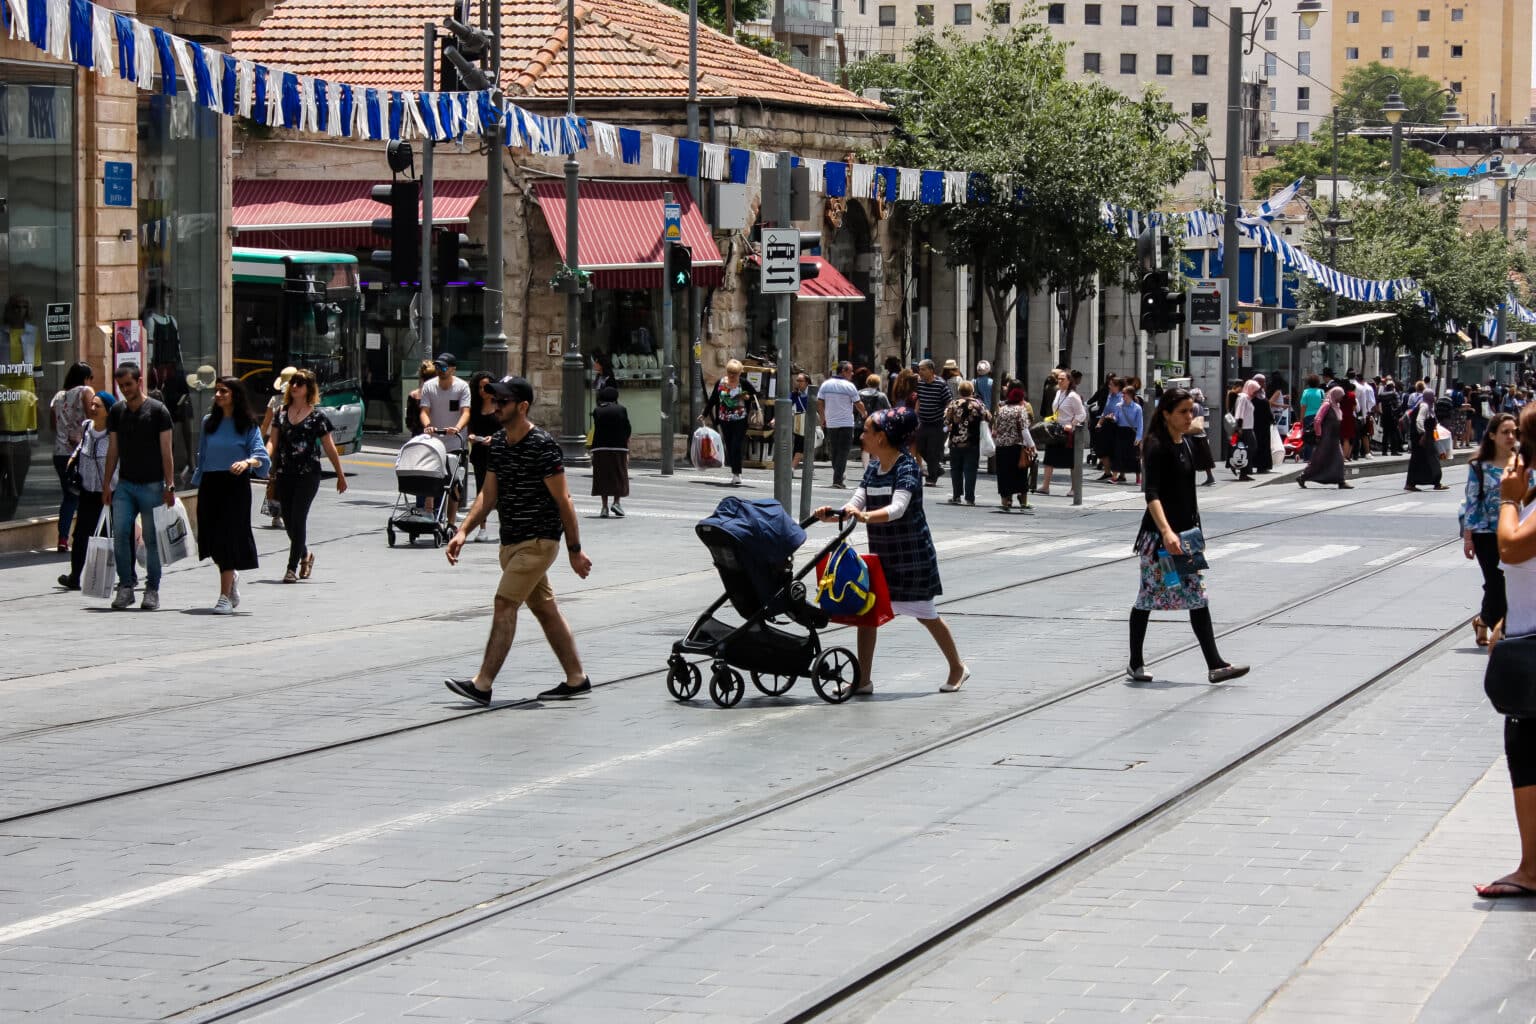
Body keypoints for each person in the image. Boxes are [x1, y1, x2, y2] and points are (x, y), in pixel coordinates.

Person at [444, 376, 593, 706]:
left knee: (504, 602)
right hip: (511, 541)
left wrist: (574, 550)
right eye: (495, 401)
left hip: (539, 541)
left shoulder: (543, 445)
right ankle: (576, 677)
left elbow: (564, 500)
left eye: (503, 402)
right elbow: (488, 494)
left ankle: (482, 684)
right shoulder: (498, 442)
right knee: (545, 609)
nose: (496, 406)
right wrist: (464, 530)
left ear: (522, 406)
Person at [814, 406, 968, 694]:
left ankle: (958, 666)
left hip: (911, 557)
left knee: (926, 614)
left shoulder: (907, 466)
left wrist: (867, 517)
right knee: (867, 614)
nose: (862, 435)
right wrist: (835, 514)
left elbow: (898, 508)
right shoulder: (873, 466)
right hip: (882, 557)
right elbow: (856, 502)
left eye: (867, 431)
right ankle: (863, 680)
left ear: (882, 437)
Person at [1126, 388, 1248, 685]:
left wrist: (1194, 424)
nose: (1189, 416)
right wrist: (1166, 531)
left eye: (1191, 410)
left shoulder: (1185, 442)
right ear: (1165, 413)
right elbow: (1151, 494)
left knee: (1197, 597)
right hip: (1162, 543)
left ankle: (1215, 664)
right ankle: (1135, 663)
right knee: (1149, 598)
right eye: (1182, 411)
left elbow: (1197, 428)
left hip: (1187, 538)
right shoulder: (1156, 446)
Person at [1475, 408, 1536, 899]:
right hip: (1525, 633)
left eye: (1522, 443)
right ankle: (1531, 867)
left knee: (1528, 753)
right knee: (1527, 754)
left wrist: (1507, 501)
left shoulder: (1522, 500)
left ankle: (1532, 869)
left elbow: (1511, 551)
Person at [192, 377, 269, 614]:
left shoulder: (247, 424)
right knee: (211, 540)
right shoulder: (208, 422)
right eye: (216, 391)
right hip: (210, 484)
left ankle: (224, 597)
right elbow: (202, 456)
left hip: (234, 485)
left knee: (227, 539)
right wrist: (196, 482)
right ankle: (231, 576)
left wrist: (246, 463)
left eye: (223, 391)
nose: (218, 395)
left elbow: (261, 456)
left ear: (235, 395)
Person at [102, 364, 175, 611]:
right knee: (120, 535)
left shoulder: (158, 411)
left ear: (139, 381)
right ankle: (125, 586)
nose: (125, 390)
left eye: (129, 385)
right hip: (125, 485)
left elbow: (167, 451)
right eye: (121, 386)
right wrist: (106, 483)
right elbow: (113, 450)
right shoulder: (117, 411)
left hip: (152, 485)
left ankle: (152, 588)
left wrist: (170, 484)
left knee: (152, 540)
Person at [267, 369, 348, 583]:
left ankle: (291, 568)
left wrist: (340, 474)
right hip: (284, 473)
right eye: (293, 382)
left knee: (299, 519)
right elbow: (272, 442)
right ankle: (305, 555)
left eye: (300, 383)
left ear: (309, 389)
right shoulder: (281, 413)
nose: (295, 386)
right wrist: (263, 458)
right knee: (288, 519)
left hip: (308, 475)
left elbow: (329, 448)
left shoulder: (317, 417)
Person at [1462, 414, 1520, 646]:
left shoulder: (1522, 463)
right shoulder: (1479, 467)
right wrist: (1468, 538)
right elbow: (1472, 502)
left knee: (1507, 584)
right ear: (1493, 436)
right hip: (1485, 533)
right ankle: (1501, 631)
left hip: (1515, 533)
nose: (1510, 437)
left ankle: (1483, 621)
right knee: (1495, 582)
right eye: (1505, 432)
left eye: (1513, 432)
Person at [57, 391, 115, 591]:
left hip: (109, 493)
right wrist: (72, 461)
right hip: (88, 491)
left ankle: (124, 577)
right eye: (92, 404)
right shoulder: (87, 426)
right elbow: (81, 447)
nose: (92, 408)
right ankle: (75, 576)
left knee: (112, 536)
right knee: (81, 535)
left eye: (97, 406)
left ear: (108, 411)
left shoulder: (114, 434)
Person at [419, 352, 471, 528]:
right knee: (430, 477)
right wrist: (428, 425)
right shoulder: (429, 386)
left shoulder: (462, 387)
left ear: (453, 369)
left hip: (455, 441)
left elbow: (466, 412)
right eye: (438, 366)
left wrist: (457, 428)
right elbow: (424, 410)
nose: (440, 370)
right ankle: (429, 514)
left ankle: (451, 522)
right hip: (434, 440)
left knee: (453, 483)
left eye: (444, 367)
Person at [49, 361, 95, 552]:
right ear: (85, 378)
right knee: (86, 496)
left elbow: (52, 424)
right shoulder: (85, 391)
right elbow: (94, 416)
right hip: (79, 452)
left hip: (59, 452)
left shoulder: (58, 396)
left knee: (69, 496)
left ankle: (62, 538)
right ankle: (84, 536)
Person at [704, 359, 759, 486]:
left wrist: (747, 397)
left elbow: (756, 395)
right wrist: (704, 414)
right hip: (725, 419)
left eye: (734, 373)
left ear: (740, 373)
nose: (732, 375)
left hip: (740, 419)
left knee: (736, 445)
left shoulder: (743, 383)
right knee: (729, 445)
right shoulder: (721, 382)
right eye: (729, 372)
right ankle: (734, 471)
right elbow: (713, 399)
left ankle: (737, 473)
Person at [817, 361, 866, 489]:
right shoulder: (849, 386)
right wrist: (865, 414)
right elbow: (858, 403)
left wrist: (823, 418)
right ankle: (838, 480)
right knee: (843, 452)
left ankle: (838, 474)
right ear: (843, 371)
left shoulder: (825, 385)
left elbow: (820, 403)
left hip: (831, 423)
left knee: (835, 452)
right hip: (846, 424)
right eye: (850, 371)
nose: (853, 373)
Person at [1039, 368, 1086, 497]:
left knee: (1072, 462)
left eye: (1062, 379)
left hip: (1068, 433)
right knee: (1049, 458)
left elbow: (1082, 414)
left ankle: (1074, 488)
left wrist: (1072, 424)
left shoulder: (1073, 396)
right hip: (1056, 430)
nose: (1059, 381)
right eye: (1058, 379)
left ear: (1069, 381)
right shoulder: (1059, 393)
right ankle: (1045, 486)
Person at [943, 380, 991, 505]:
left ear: (959, 391)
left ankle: (956, 496)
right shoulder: (978, 404)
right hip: (972, 442)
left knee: (956, 469)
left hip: (955, 442)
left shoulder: (953, 404)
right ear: (972, 391)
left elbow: (946, 421)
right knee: (970, 470)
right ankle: (970, 498)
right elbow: (988, 417)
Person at [466, 370, 500, 543]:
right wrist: (471, 435)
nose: (482, 390)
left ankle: (505, 526)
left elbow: (507, 429)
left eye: (485, 387)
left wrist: (494, 439)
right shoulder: (475, 406)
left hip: (497, 453)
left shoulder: (500, 405)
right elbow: (470, 426)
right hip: (479, 453)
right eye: (479, 387)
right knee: (481, 491)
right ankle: (482, 528)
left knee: (500, 491)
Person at [260, 366, 297, 530]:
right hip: (281, 446)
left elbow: (265, 424)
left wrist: (260, 442)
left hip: (282, 446)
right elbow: (267, 423)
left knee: (277, 479)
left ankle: (280, 514)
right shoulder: (278, 401)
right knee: (278, 479)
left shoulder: (276, 401)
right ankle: (279, 514)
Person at [1297, 387, 1352, 490]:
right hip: (1325, 438)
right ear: (1335, 395)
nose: (1341, 398)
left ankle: (1341, 481)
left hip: (1334, 438)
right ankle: (1303, 477)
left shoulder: (1337, 405)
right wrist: (1318, 434)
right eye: (1340, 396)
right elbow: (1317, 420)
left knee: (1339, 459)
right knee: (1319, 459)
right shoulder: (1327, 405)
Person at [992, 384, 1035, 513]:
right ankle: (1024, 502)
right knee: (1020, 474)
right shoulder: (1020, 410)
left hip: (1001, 447)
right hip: (1016, 447)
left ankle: (1005, 502)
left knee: (1004, 474)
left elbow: (996, 427)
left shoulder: (1002, 409)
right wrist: (1032, 445)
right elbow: (1024, 429)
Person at [590, 385, 631, 518]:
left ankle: (604, 507)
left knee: (603, 477)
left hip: (600, 448)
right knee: (619, 475)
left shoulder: (597, 411)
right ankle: (617, 503)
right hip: (619, 447)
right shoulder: (622, 409)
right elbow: (627, 428)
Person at [913, 359, 953, 486]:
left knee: (933, 450)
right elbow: (919, 400)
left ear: (931, 370)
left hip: (937, 422)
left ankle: (931, 478)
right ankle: (937, 469)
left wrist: (947, 418)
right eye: (919, 369)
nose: (920, 372)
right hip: (924, 422)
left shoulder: (941, 384)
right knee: (920, 447)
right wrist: (915, 414)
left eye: (923, 369)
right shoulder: (920, 384)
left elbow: (949, 402)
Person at [1405, 387, 1448, 492]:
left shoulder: (1429, 406)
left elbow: (1433, 420)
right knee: (1421, 459)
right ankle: (1412, 483)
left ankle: (1434, 482)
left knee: (1426, 459)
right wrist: (1423, 434)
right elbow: (1419, 420)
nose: (1434, 397)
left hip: (1427, 437)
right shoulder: (1424, 406)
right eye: (1433, 395)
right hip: (1422, 438)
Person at [1111, 381, 1144, 485]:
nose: (1122, 395)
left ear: (1130, 395)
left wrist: (1138, 437)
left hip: (1132, 432)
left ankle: (1138, 478)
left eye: (1124, 393)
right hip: (1121, 431)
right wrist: (1113, 418)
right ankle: (1114, 477)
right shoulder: (1119, 406)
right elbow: (1117, 418)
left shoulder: (1137, 408)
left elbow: (1140, 423)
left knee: (1134, 456)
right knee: (1118, 454)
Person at [1093, 376, 1123, 481]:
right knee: (1102, 449)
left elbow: (1121, 413)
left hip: (1117, 427)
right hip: (1107, 425)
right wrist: (1099, 423)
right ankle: (1107, 472)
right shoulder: (1110, 396)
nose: (1109, 387)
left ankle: (1119, 475)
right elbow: (1105, 411)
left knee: (1115, 450)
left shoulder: (1122, 397)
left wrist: (1114, 417)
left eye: (1111, 385)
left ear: (1118, 386)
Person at [1187, 387, 1217, 487]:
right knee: (1204, 459)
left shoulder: (1193, 406)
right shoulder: (1200, 406)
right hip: (1201, 435)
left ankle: (1190, 480)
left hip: (1194, 435)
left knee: (1191, 460)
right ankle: (1210, 477)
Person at [1230, 380, 1259, 482]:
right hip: (1245, 429)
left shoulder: (1247, 398)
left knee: (1246, 450)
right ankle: (1242, 472)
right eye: (1255, 391)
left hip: (1248, 428)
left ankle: (1243, 472)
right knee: (1249, 449)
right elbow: (1239, 413)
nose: (1256, 393)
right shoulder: (1243, 398)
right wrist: (1239, 427)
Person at [1249, 375, 1275, 475]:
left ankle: (1262, 466)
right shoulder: (1250, 395)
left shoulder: (1262, 394)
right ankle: (1253, 465)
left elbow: (1266, 407)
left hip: (1263, 425)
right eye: (1261, 382)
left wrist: (1271, 419)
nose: (1263, 384)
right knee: (1255, 445)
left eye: (1263, 382)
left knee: (1263, 445)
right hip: (1253, 424)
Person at [405, 359, 436, 438]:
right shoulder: (439, 394)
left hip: (418, 436)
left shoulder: (414, 395)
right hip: (436, 434)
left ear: (421, 375)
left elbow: (409, 422)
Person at [1298, 374, 1325, 463]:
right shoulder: (1321, 392)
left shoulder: (1306, 392)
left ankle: (1307, 457)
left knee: (1308, 437)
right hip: (1320, 417)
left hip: (1308, 417)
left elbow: (1303, 406)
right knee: (1319, 436)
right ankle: (1319, 457)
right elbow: (1324, 405)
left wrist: (1301, 418)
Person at [1377, 376, 1403, 455]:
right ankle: (1393, 451)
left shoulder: (1382, 394)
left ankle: (1384, 451)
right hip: (1393, 417)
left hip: (1384, 416)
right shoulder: (1394, 393)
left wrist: (1380, 412)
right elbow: (1399, 405)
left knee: (1385, 434)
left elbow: (1377, 402)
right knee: (1393, 433)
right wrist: (1397, 414)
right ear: (1392, 386)